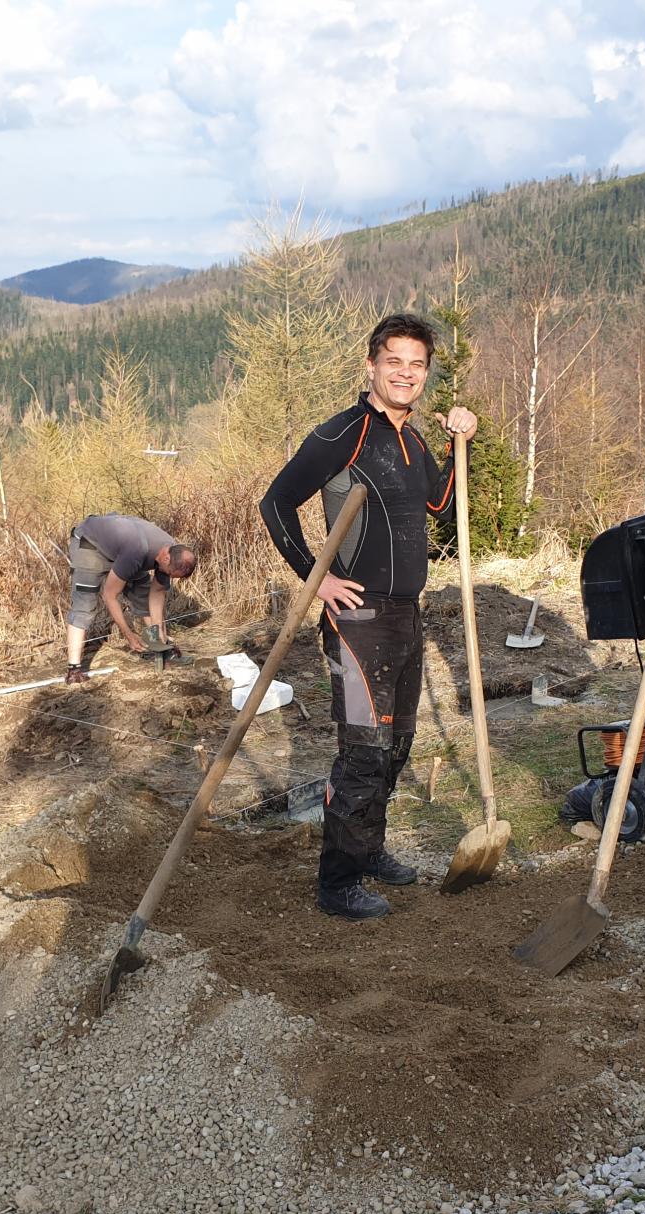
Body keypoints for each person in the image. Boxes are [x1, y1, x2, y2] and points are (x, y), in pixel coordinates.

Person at [258, 313, 477, 920]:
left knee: (398, 744)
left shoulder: (412, 440)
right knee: (363, 750)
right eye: (394, 362)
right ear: (372, 365)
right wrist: (317, 577)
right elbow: (275, 502)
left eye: (417, 365)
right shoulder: (344, 434)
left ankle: (369, 848)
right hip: (358, 621)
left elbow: (441, 505)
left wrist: (461, 444)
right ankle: (338, 883)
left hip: (407, 613)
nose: (405, 374)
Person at [62, 514, 198, 684]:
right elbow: (110, 595)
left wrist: (158, 633)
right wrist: (128, 634)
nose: (168, 576)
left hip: (122, 549)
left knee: (142, 595)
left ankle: (159, 648)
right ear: (165, 558)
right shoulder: (135, 551)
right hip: (90, 544)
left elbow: (156, 593)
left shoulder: (171, 550)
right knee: (85, 605)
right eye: (170, 573)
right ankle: (73, 670)